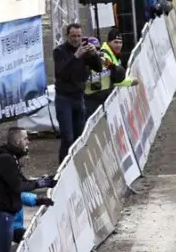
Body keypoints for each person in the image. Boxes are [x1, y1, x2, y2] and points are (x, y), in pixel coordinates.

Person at [52, 23, 102, 162]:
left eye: (79, 36)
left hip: (79, 97)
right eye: (73, 36)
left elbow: (98, 68)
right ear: (67, 36)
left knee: (79, 135)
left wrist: (93, 55)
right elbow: (61, 74)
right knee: (67, 136)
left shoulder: (85, 51)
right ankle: (63, 166)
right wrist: (76, 56)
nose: (76, 39)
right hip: (64, 98)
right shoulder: (60, 52)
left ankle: (76, 163)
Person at [84, 31, 136, 114]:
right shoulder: (105, 56)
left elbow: (116, 73)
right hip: (90, 98)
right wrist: (130, 81)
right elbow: (115, 77)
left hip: (100, 96)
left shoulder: (108, 56)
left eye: (120, 42)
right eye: (115, 42)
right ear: (108, 42)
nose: (118, 45)